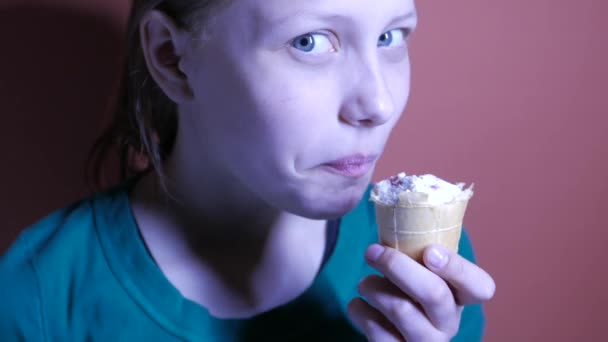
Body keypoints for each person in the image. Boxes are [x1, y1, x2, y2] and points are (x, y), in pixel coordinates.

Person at [0, 0, 496, 340]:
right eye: (309, 42)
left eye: (391, 35)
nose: (378, 103)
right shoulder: (38, 296)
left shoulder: (423, 275)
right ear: (172, 58)